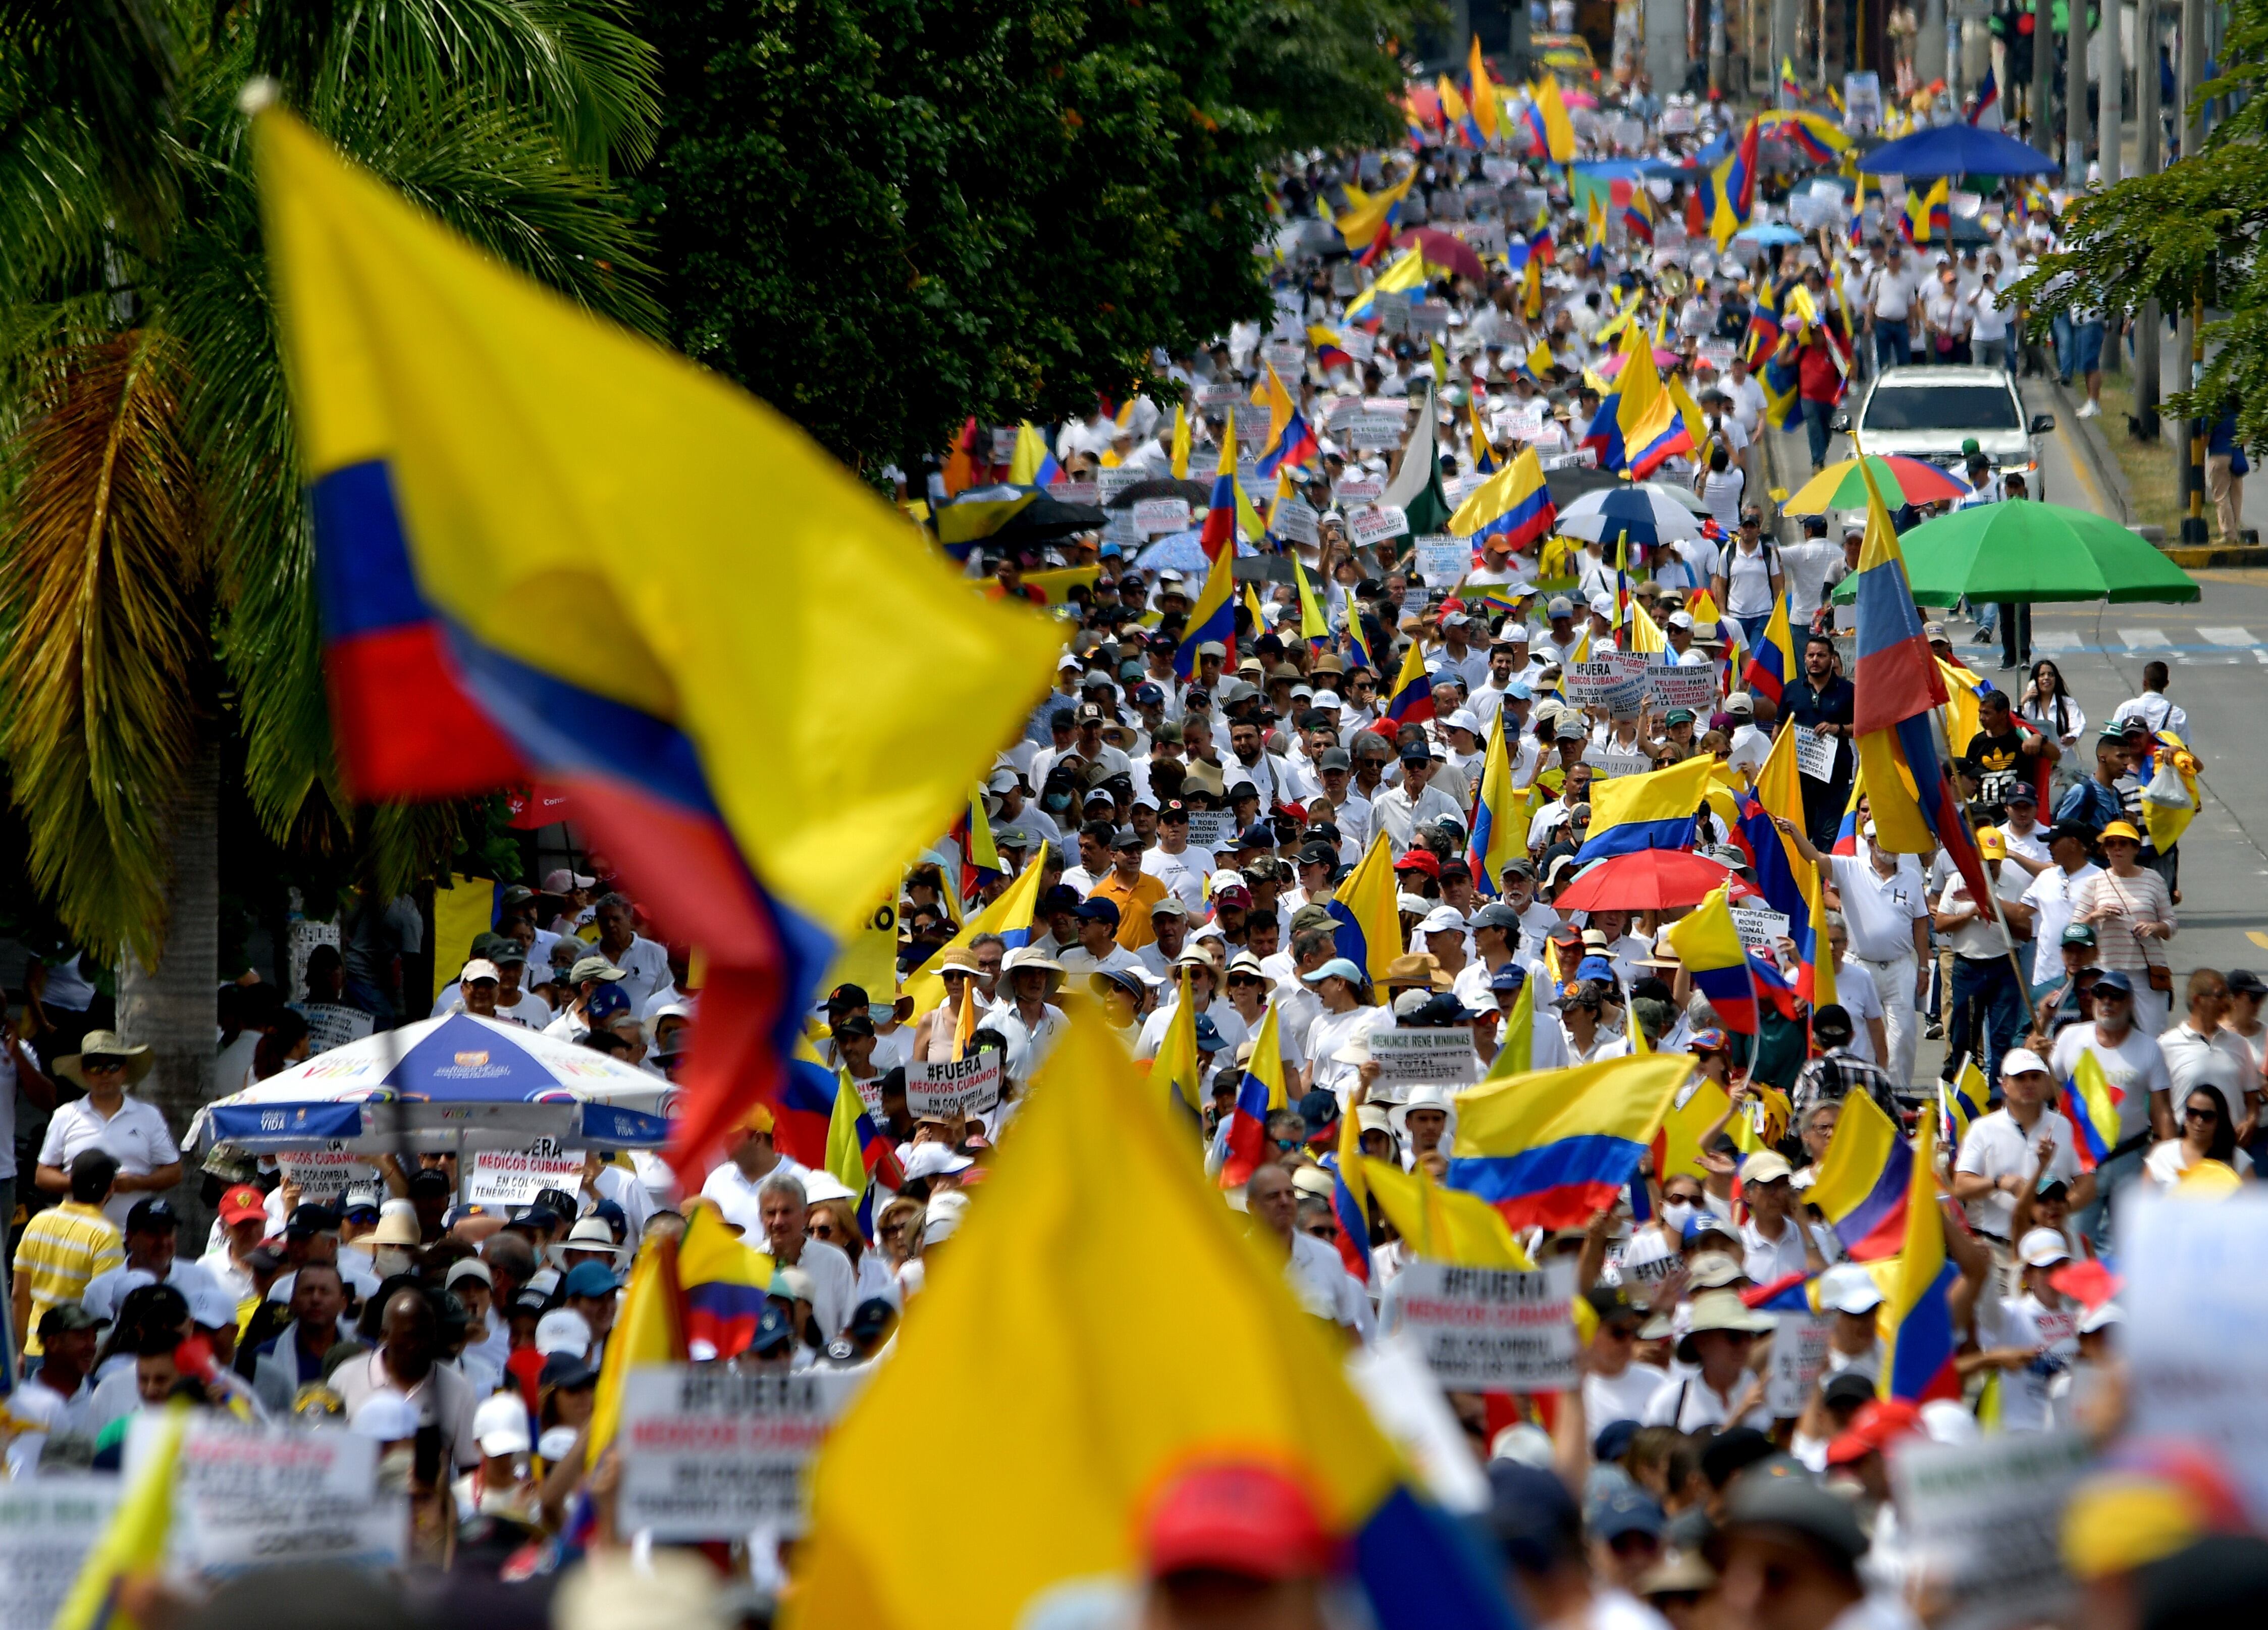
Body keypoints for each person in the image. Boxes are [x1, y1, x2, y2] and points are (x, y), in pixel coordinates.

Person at [33, 1030, 182, 1231]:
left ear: (124, 1071)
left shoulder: (148, 1115)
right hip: (77, 1232)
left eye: (113, 1066)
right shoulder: (66, 1114)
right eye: (96, 1067)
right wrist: (85, 1185)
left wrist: (137, 1183)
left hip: (133, 1234)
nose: (105, 1074)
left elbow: (174, 1172)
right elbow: (42, 1175)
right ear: (85, 1073)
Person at [1954, 1048, 2092, 1253]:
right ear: (2005, 1085)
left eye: (2035, 1077)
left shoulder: (2064, 1125)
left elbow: (2088, 1184)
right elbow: (1961, 1186)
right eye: (2020, 1078)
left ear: (2046, 1082)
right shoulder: (1982, 1128)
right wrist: (1998, 1183)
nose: (2029, 1084)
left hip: (2049, 1248)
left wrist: (2058, 1210)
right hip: (1998, 1247)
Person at [333, 1288, 481, 1471]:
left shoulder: (458, 1389)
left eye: (427, 1334)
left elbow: (470, 1465)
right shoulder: (346, 1378)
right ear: (384, 1335)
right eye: (410, 1335)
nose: (420, 1344)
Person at [13, 1150, 122, 1371]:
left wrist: (20, 1350)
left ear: (71, 1182)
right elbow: (103, 1308)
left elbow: (18, 1294)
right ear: (111, 1188)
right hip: (72, 1358)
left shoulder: (39, 1222)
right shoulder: (106, 1236)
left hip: (33, 1349)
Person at [2066, 821, 2177, 1035]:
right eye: (2111, 844)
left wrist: (2154, 927)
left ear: (2136, 848)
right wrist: (2096, 915)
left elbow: (2171, 924)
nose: (2117, 849)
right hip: (2109, 968)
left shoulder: (2153, 880)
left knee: (2154, 1032)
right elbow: (2075, 928)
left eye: (2123, 844)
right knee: (2108, 1031)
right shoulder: (2096, 882)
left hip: (2147, 971)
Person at [1245, 1163, 1370, 1339]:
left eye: (1290, 1194)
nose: (1284, 1201)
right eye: (1273, 1196)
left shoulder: (1328, 1257)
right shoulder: (1231, 1257)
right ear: (1251, 1206)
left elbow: (1350, 1334)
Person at [2145, 1083, 2251, 1188]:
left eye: (2207, 1116)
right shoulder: (2163, 1155)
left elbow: (2252, 1198)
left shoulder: (2237, 1159)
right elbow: (2144, 1196)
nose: (2199, 1122)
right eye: (2193, 1113)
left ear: (2220, 1120)